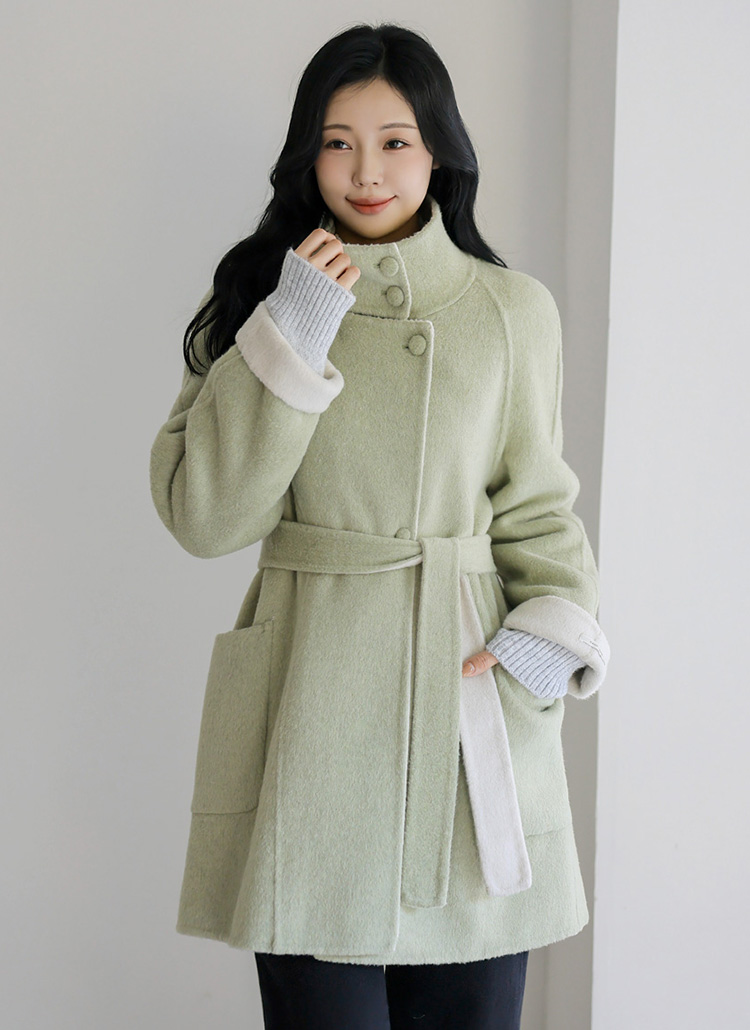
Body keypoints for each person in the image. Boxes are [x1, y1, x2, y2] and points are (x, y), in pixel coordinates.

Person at [149, 21, 610, 1030]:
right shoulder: (256, 300)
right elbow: (204, 515)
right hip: (310, 717)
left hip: (468, 707)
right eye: (337, 141)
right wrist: (294, 328)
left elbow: (539, 506)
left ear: (438, 149)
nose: (366, 171)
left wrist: (545, 642)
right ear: (306, 156)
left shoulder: (512, 310)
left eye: (395, 140)